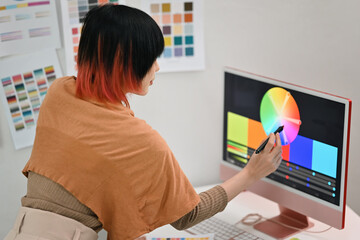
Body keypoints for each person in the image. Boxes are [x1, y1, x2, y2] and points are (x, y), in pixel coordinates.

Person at [5, 4, 282, 240]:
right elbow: (189, 215)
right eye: (152, 58)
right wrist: (251, 174)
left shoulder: (59, 93)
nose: (157, 67)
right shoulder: (140, 141)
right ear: (125, 64)